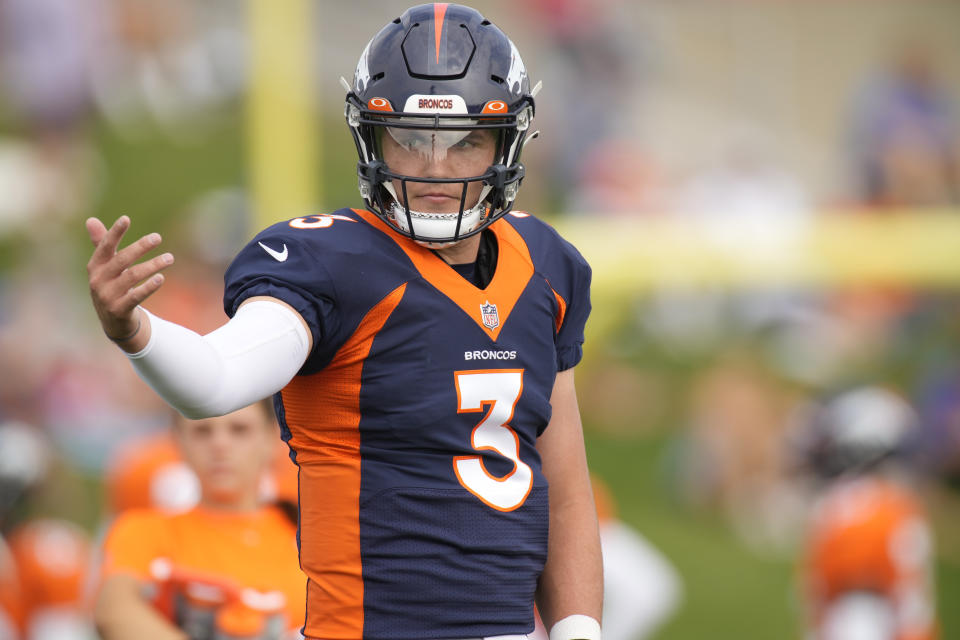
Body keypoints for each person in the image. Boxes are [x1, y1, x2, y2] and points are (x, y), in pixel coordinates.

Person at [84, 4, 601, 640]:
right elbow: (214, 381)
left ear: (507, 142)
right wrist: (134, 331)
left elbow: (566, 485)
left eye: (465, 140)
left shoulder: (547, 265)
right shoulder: (330, 263)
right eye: (411, 139)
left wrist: (580, 629)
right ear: (371, 138)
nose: (435, 168)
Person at [94, 401, 306, 640]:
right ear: (178, 441)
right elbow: (114, 610)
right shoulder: (143, 531)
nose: (220, 445)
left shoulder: (311, 538)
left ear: (271, 439)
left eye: (239, 429)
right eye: (202, 431)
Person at [797, 387, 938, 640]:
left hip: (859, 619)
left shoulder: (833, 505)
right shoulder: (897, 506)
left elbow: (814, 588)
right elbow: (911, 596)